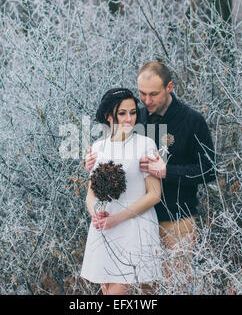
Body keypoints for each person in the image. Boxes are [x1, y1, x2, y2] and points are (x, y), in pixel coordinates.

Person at [85, 61, 216, 289]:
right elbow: (121, 155)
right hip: (138, 223)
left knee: (175, 287)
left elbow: (209, 170)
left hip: (176, 219)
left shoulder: (192, 121)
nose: (147, 100)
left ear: (169, 87)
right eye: (142, 94)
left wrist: (167, 172)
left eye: (153, 94)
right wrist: (95, 166)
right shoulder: (136, 118)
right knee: (145, 290)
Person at [80, 88, 162, 295]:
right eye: (122, 113)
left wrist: (118, 218)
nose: (129, 119)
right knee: (107, 291)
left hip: (135, 226)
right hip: (105, 228)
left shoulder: (145, 144)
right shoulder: (97, 148)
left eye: (133, 112)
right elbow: (91, 193)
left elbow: (154, 194)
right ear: (109, 116)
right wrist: (94, 212)